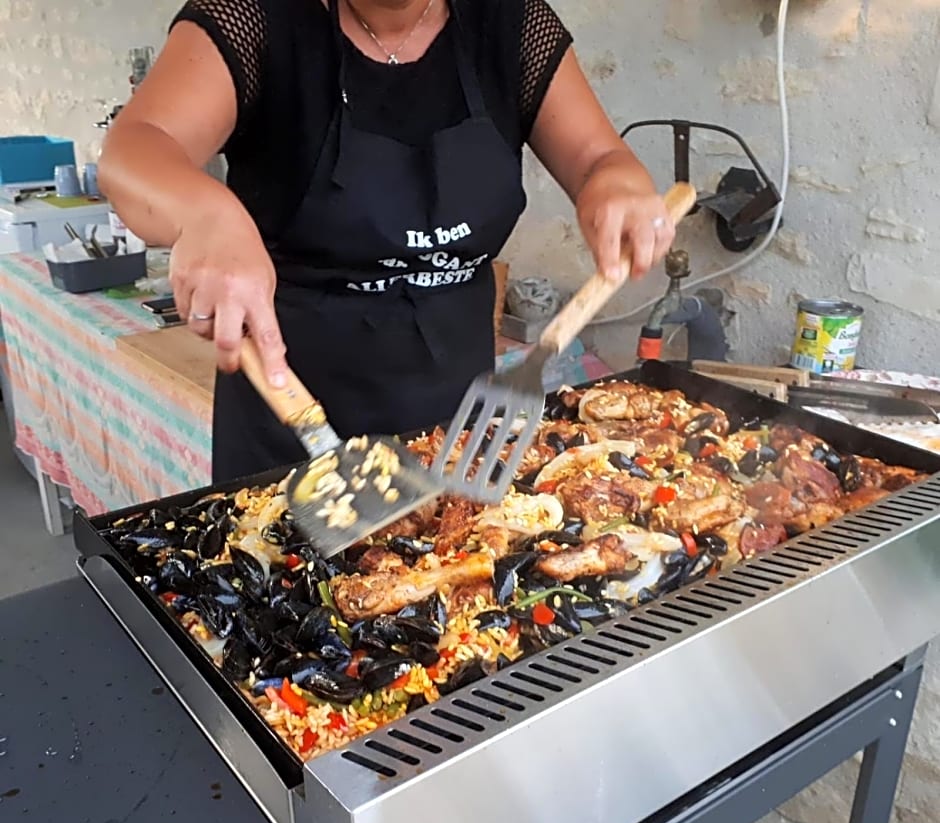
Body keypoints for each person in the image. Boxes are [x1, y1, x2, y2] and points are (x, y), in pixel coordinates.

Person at [99, 0, 676, 483]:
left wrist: (615, 183)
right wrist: (206, 216)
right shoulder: (256, 16)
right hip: (293, 434)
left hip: (458, 436)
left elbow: (599, 157)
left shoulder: (509, 21)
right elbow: (134, 148)